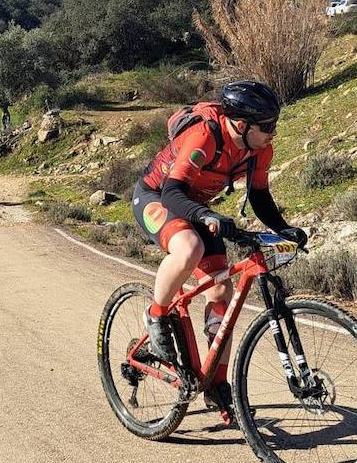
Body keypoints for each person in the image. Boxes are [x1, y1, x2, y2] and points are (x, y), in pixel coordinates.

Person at [131, 80, 307, 421]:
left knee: (222, 290)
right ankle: (156, 314)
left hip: (197, 205)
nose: (274, 132)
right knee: (189, 248)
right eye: (267, 126)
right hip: (158, 197)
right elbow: (172, 193)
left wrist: (283, 228)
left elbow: (259, 197)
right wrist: (206, 215)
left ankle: (216, 383)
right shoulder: (205, 137)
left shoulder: (259, 149)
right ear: (242, 125)